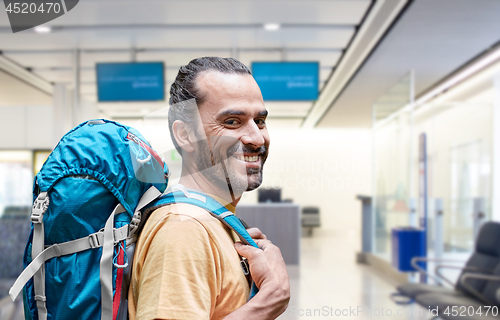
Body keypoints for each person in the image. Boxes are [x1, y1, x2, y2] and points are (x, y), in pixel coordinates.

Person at [128, 57, 290, 320]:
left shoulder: (212, 219)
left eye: (259, 121)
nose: (257, 137)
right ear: (185, 135)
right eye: (232, 121)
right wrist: (272, 298)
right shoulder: (184, 227)